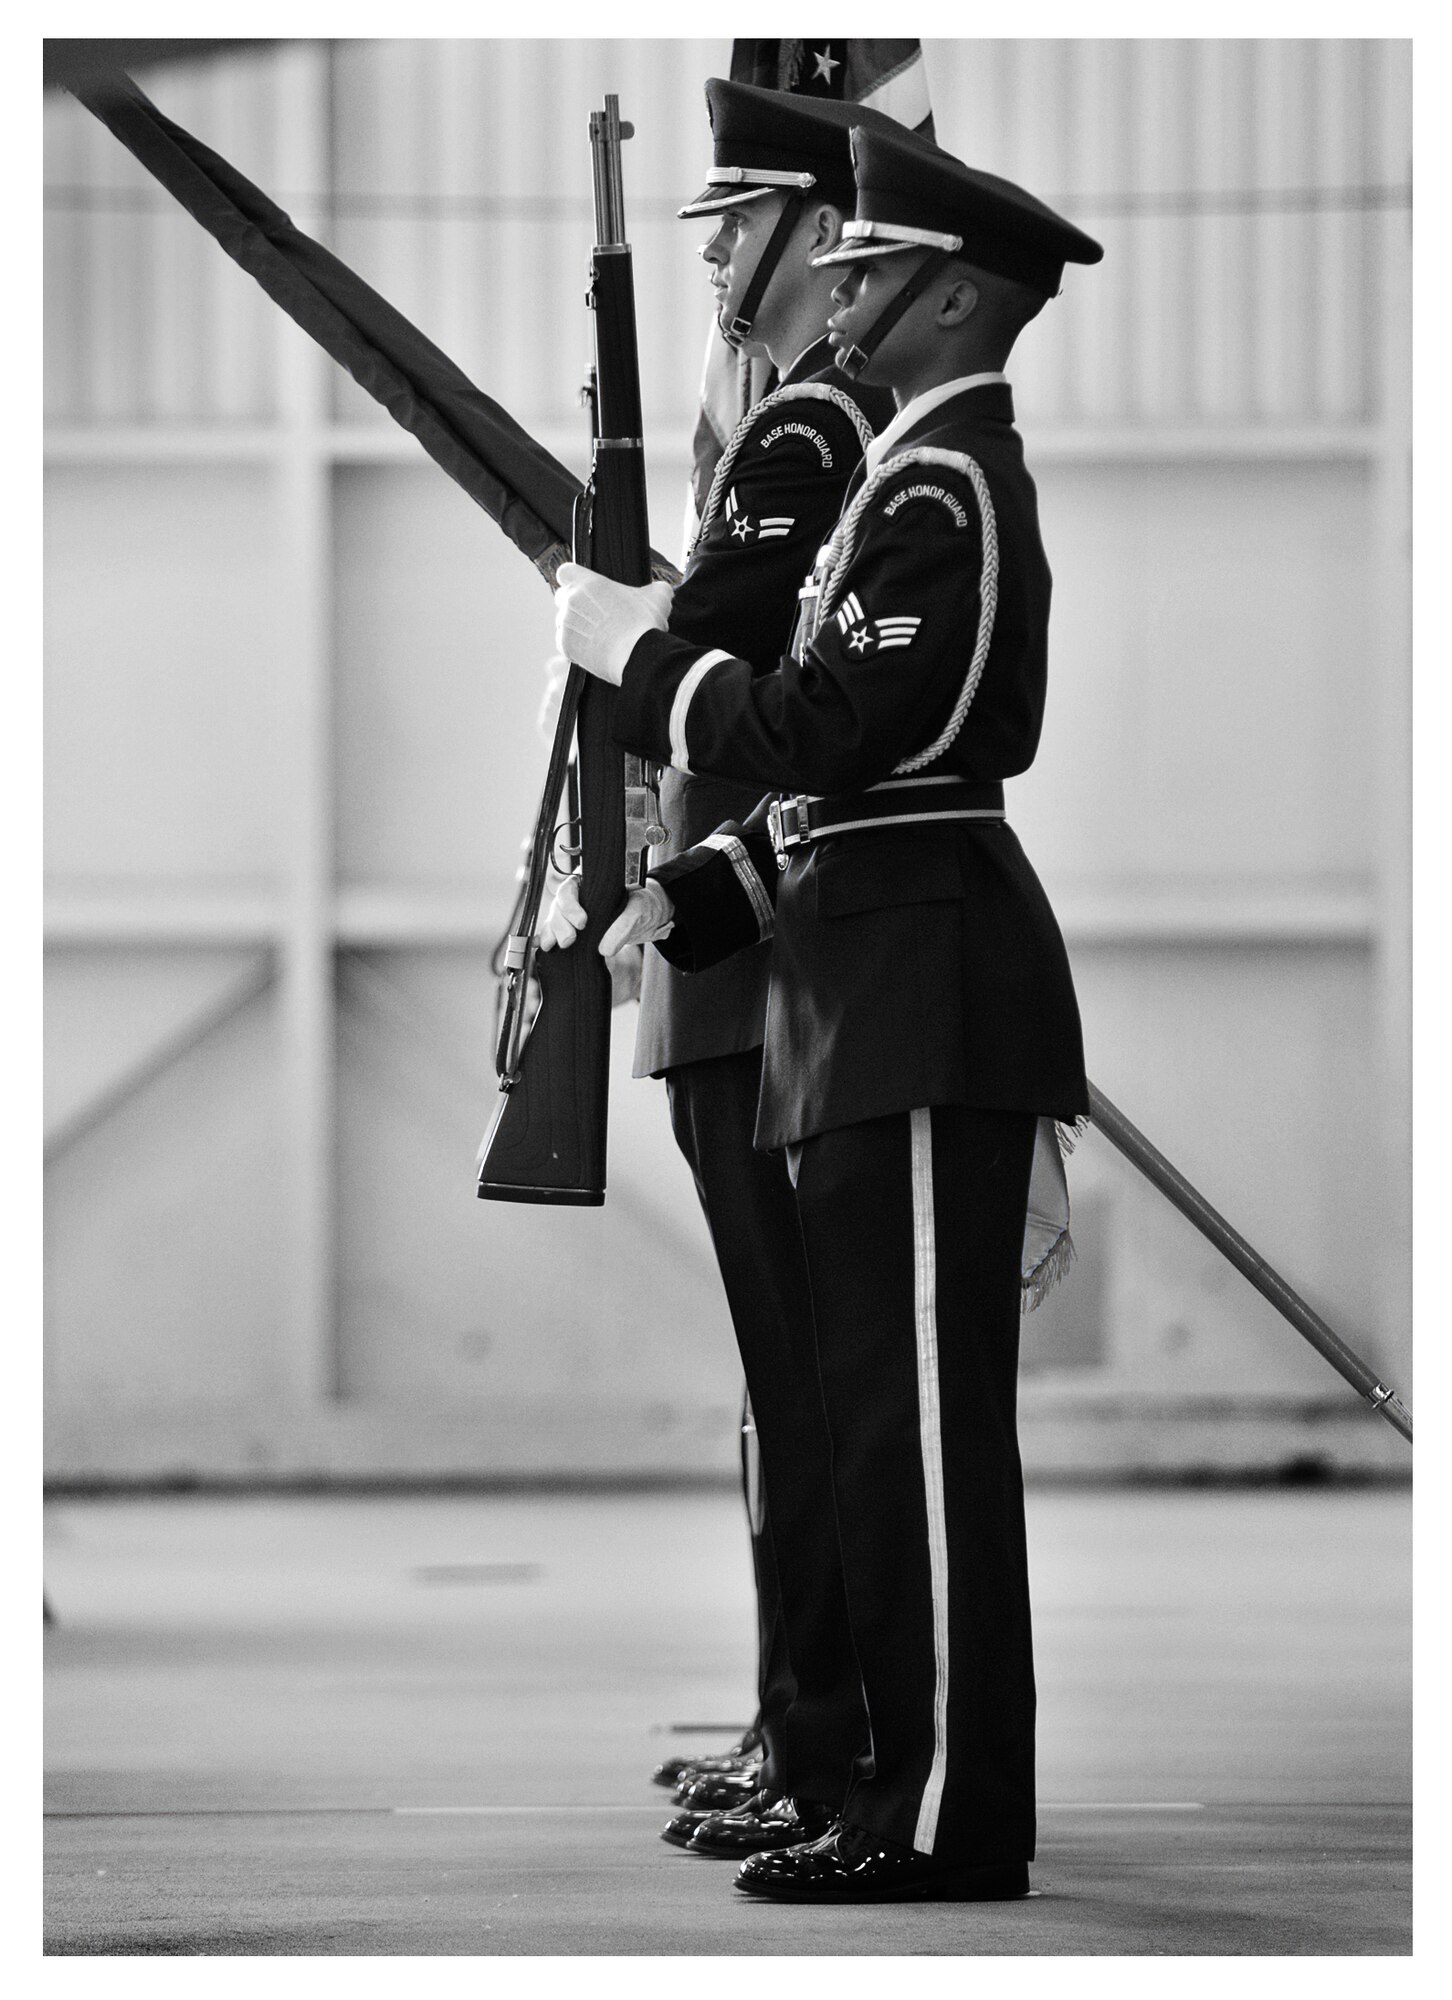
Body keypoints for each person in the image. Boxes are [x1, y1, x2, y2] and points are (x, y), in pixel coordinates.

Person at [551, 119, 1102, 1903]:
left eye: (870, 269)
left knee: (921, 1433)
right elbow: (833, 788)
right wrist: (694, 894)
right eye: (841, 262)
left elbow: (825, 739)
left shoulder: (941, 492)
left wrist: (644, 665)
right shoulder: (911, 480)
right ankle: (898, 1790)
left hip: (924, 975)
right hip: (871, 965)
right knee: (878, 1415)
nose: (837, 288)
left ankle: (939, 1816)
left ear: (954, 297)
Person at [539, 78, 902, 1855]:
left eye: (733, 226)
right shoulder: (777, 424)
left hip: (768, 931)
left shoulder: (819, 427)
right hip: (720, 923)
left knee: (811, 1366)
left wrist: (634, 628)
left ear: (816, 234)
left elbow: (722, 652)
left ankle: (830, 1739)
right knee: (778, 1372)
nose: (712, 260)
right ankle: (797, 1719)